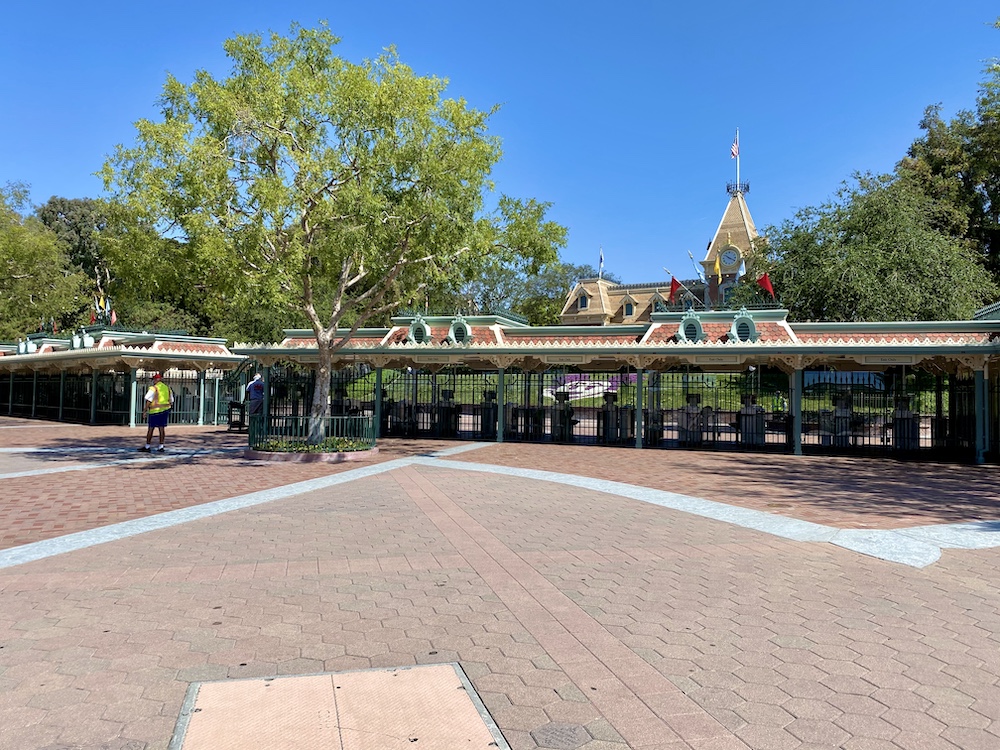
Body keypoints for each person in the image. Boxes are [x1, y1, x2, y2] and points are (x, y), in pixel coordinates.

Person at [140, 373, 173, 452]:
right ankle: (161, 446)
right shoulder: (168, 388)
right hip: (165, 410)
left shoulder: (153, 388)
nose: (153, 381)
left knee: (151, 428)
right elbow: (171, 400)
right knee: (161, 428)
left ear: (156, 380)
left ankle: (147, 446)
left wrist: (144, 411)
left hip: (155, 411)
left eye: (154, 379)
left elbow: (148, 400)